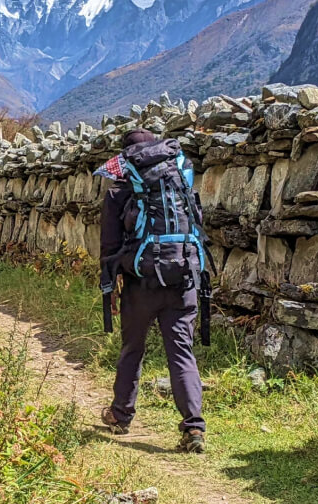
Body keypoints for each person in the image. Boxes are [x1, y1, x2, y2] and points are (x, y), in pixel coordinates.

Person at [98, 128, 207, 453]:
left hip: (141, 282)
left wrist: (112, 287)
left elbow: (109, 247)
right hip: (184, 278)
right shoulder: (179, 182)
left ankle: (120, 415)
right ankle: (193, 428)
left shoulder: (121, 191)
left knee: (133, 348)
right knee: (181, 352)